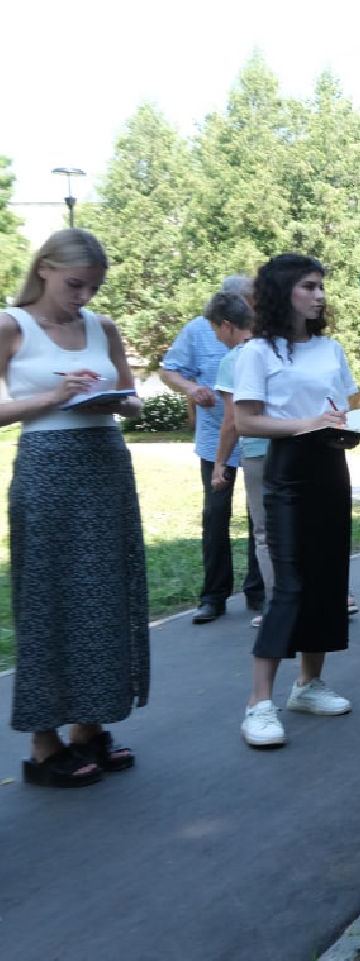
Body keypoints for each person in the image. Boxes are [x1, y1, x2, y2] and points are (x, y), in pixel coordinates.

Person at [3, 229, 148, 787]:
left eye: (93, 287)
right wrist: (55, 397)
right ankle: (43, 746)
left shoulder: (102, 326)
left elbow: (133, 396)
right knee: (47, 596)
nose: (84, 296)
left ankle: (89, 728)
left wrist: (119, 401)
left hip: (106, 463)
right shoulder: (10, 326)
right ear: (43, 268)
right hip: (47, 468)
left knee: (105, 594)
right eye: (74, 284)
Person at [231, 254, 358, 748]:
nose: (320, 294)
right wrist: (306, 425)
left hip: (331, 466)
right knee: (290, 583)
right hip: (287, 471)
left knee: (328, 578)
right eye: (309, 286)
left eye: (321, 286)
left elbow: (341, 409)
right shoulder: (257, 352)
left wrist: (339, 428)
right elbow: (247, 422)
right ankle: (257, 704)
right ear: (284, 291)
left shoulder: (330, 348)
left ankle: (308, 685)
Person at [161, 275, 264, 623]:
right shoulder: (197, 330)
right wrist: (191, 389)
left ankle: (258, 592)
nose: (251, 306)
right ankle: (214, 596)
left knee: (258, 518)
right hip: (214, 440)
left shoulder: (263, 330)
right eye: (246, 300)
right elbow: (170, 371)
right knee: (215, 516)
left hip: (254, 439)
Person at [208, 291, 271, 632]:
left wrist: (220, 464)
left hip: (259, 451)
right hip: (291, 445)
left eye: (215, 329)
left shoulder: (234, 360)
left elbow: (232, 420)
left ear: (228, 325)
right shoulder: (274, 348)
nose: (216, 337)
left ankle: (278, 606)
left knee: (264, 533)